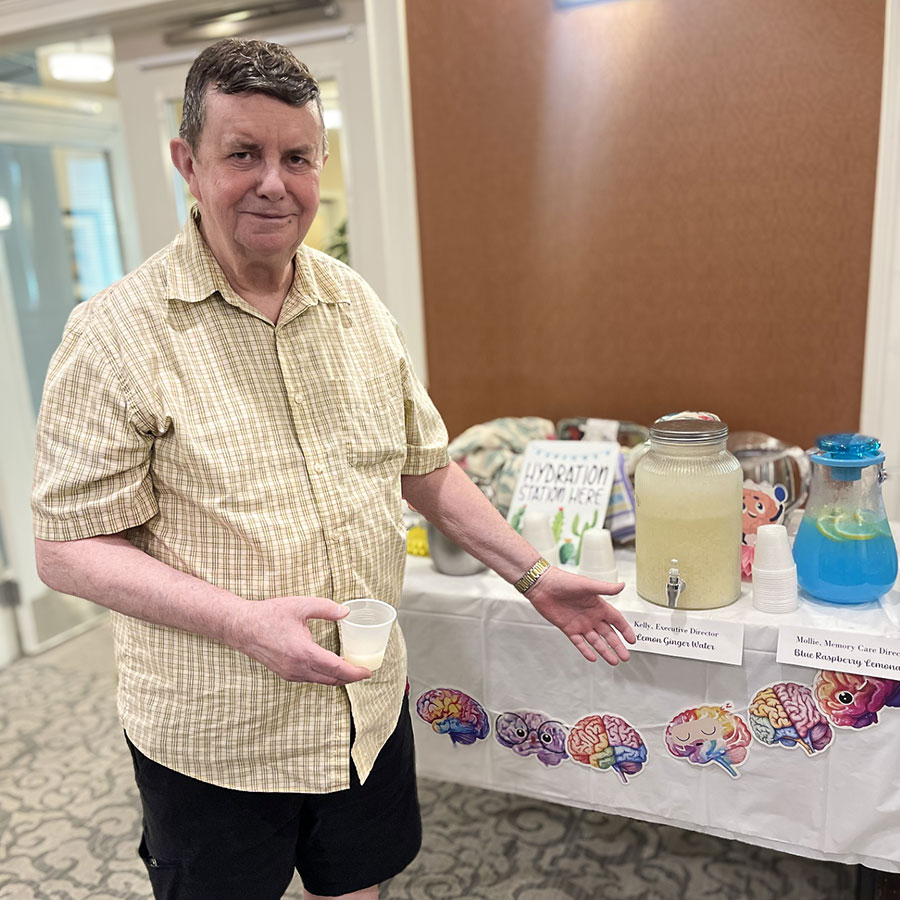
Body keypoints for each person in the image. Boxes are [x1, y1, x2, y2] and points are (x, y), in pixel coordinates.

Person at [31, 38, 635, 900]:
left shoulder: (353, 304)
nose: (274, 182)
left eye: (297, 157)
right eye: (243, 154)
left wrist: (533, 575)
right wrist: (243, 621)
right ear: (187, 165)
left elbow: (426, 468)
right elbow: (68, 550)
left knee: (357, 890)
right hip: (218, 737)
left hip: (364, 710)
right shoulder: (114, 337)